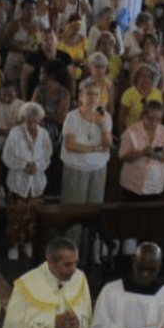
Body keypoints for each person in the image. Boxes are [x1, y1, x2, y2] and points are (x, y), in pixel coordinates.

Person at [60, 79, 112, 243]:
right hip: (76, 168)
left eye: (97, 94)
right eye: (89, 93)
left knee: (93, 212)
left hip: (98, 169)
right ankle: (70, 248)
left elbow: (108, 144)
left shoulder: (105, 116)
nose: (93, 97)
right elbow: (70, 145)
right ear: (81, 96)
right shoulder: (72, 117)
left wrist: (103, 126)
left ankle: (89, 250)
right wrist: (95, 149)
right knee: (74, 213)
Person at [2, 102, 53, 261]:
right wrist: (24, 165)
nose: (32, 124)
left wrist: (37, 166)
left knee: (33, 216)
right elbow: (7, 157)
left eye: (35, 120)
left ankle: (28, 243)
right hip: (18, 181)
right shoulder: (15, 133)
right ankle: (13, 245)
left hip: (36, 182)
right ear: (24, 119)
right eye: (29, 120)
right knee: (16, 215)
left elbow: (47, 155)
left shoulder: (44, 134)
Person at [118, 101, 164, 202]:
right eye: (151, 118)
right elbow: (122, 156)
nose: (154, 122)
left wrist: (155, 155)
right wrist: (141, 153)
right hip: (132, 185)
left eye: (158, 119)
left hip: (155, 185)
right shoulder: (131, 130)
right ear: (144, 115)